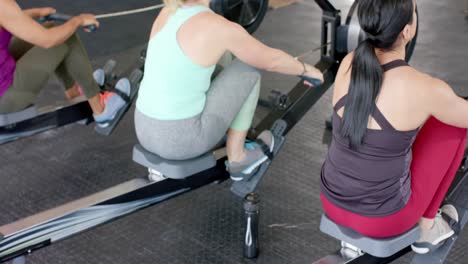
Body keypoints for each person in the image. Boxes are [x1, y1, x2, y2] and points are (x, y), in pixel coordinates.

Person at [320, 0, 468, 254]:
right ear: (407, 31)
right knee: (455, 123)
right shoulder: (424, 87)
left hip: (331, 202)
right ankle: (428, 227)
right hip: (384, 221)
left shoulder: (349, 63)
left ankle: (354, 238)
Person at [135, 0, 323, 180]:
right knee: (249, 66)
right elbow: (271, 60)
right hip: (183, 141)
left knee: (221, 56)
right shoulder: (218, 26)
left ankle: (224, 128)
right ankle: (238, 157)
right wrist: (307, 70)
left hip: (143, 129)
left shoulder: (166, 13)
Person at [0, 0, 130, 128]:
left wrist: (36, 12)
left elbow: (10, 17)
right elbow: (48, 40)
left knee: (50, 28)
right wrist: (78, 20)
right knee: (63, 37)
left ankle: (75, 96)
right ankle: (99, 109)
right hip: (5, 100)